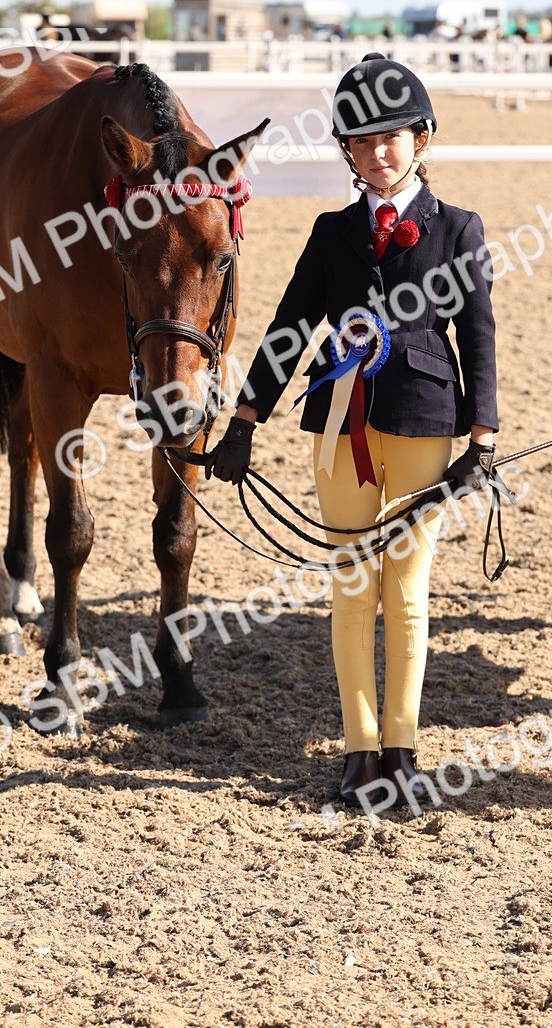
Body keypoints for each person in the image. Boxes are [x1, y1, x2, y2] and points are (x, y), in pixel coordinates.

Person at [205, 53, 498, 812]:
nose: (377, 154)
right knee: (348, 588)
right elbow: (291, 327)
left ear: (422, 137)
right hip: (339, 429)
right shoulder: (333, 231)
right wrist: (244, 418)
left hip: (426, 424)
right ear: (347, 152)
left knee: (405, 590)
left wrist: (484, 438)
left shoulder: (459, 229)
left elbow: (480, 338)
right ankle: (359, 753)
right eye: (361, 143)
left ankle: (403, 748)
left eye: (391, 138)